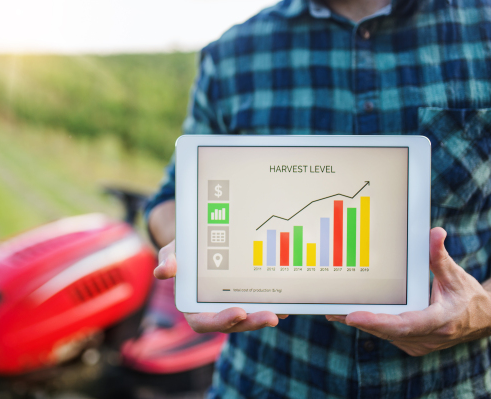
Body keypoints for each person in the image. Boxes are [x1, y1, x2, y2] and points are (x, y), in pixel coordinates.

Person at [146, 0, 491, 397]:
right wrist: (191, 251)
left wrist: (481, 311)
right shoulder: (232, 53)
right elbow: (170, 199)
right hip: (263, 382)